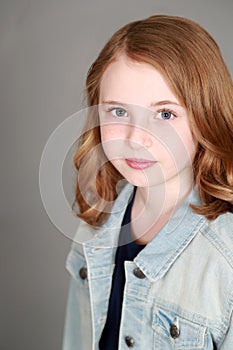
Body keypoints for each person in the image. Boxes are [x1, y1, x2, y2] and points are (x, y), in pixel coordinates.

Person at [62, 15, 233, 350]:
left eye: (165, 114)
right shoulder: (95, 224)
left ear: (205, 117)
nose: (136, 138)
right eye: (118, 112)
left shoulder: (225, 259)